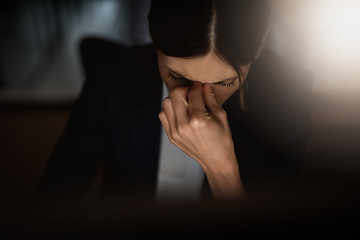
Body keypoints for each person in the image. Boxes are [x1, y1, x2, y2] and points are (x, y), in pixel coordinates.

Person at [30, 0, 312, 203]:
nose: (197, 100)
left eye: (225, 83)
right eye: (177, 76)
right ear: (154, 42)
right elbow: (55, 196)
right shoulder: (111, 81)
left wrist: (222, 168)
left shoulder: (288, 96)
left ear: (256, 58)